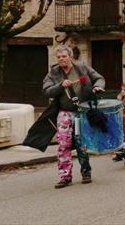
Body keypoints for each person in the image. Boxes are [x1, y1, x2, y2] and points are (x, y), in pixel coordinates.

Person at [33, 45, 105, 189]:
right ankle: (65, 176)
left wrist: (97, 86)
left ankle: (86, 172)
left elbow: (99, 78)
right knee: (63, 144)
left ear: (70, 57)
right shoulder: (53, 73)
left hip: (82, 111)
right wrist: (60, 85)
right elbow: (46, 91)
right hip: (64, 112)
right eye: (59, 57)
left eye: (64, 56)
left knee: (81, 143)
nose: (61, 59)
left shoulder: (82, 68)